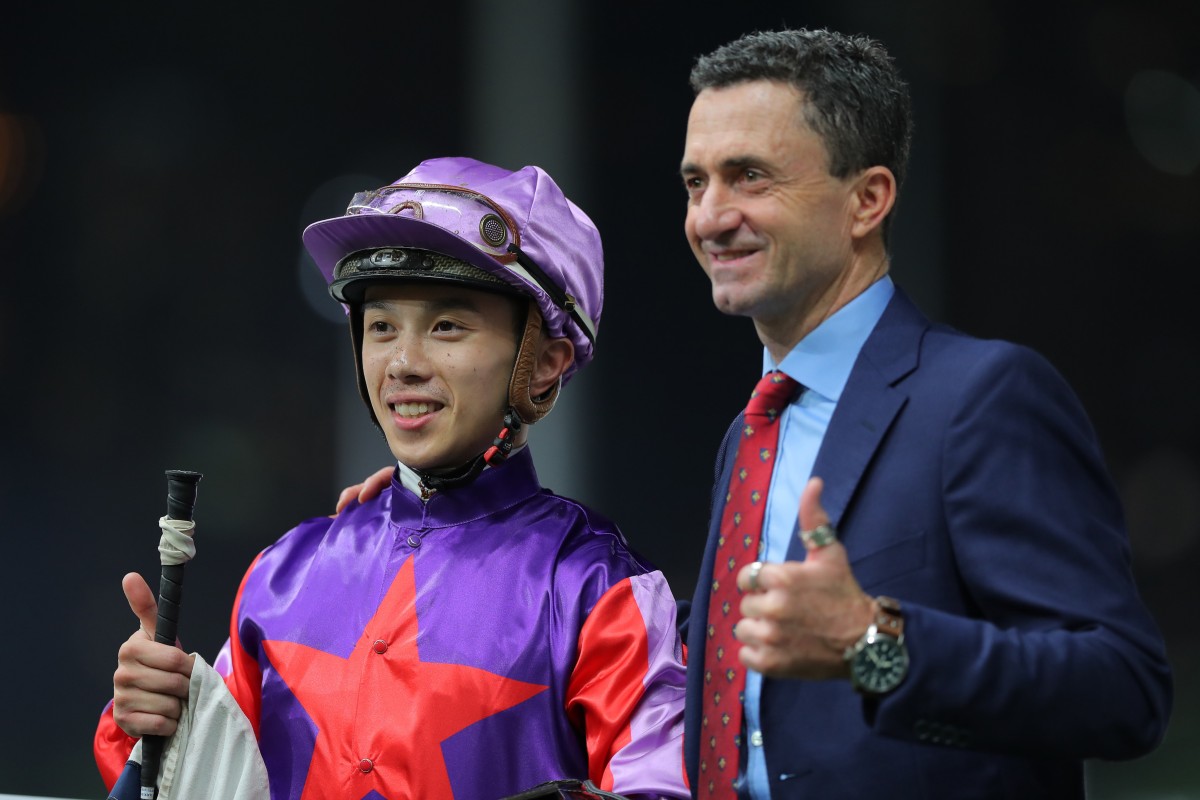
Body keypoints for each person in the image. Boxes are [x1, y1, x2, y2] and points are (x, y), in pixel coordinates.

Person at [94, 157, 690, 799]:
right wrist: (159, 719)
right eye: (381, 327)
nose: (403, 363)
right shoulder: (281, 573)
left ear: (544, 363)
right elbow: (204, 784)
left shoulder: (599, 587)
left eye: (447, 326)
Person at [677, 28, 1172, 799]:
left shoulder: (983, 396)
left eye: (749, 178)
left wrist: (874, 642)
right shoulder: (749, 432)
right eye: (695, 182)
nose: (710, 217)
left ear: (867, 200)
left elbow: (1123, 693)